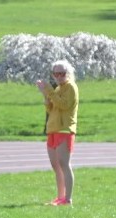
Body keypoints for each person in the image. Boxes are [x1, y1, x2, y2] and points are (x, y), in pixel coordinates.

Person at [37, 59, 78, 206]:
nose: (59, 77)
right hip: (53, 129)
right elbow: (51, 108)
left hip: (64, 129)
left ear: (68, 73)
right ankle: (60, 197)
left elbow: (64, 105)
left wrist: (48, 90)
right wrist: (45, 95)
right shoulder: (58, 88)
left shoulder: (70, 87)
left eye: (62, 73)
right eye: (56, 74)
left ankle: (68, 199)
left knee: (64, 163)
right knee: (55, 165)